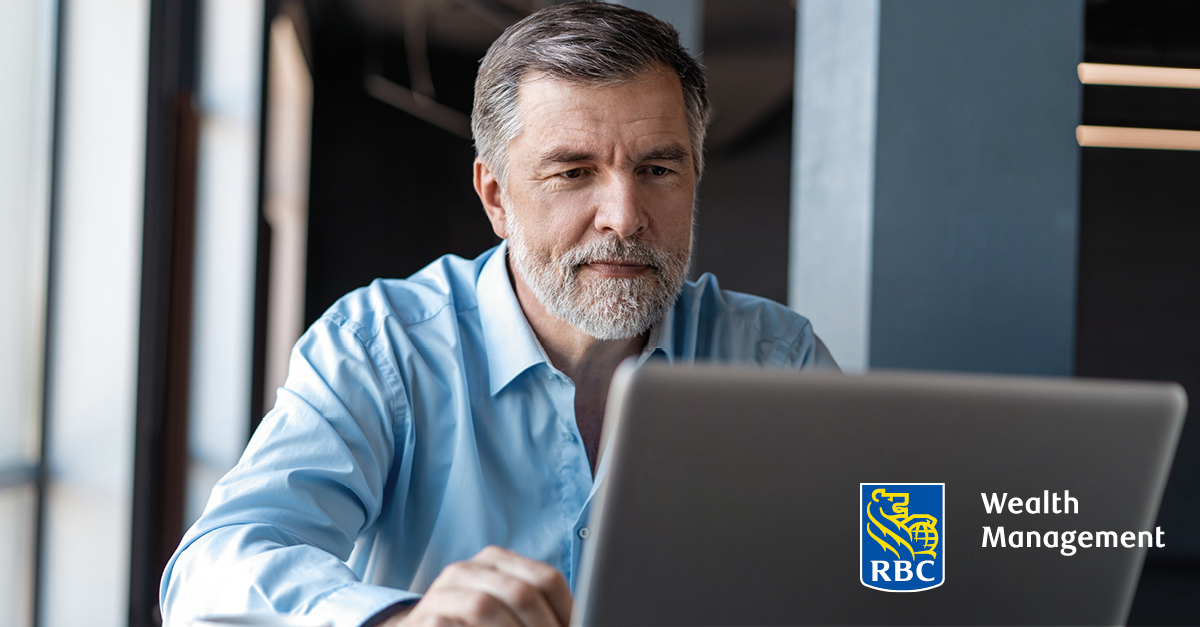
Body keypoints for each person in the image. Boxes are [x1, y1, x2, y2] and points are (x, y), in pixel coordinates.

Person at [160, 2, 836, 626]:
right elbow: (211, 571)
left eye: (659, 170)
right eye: (573, 173)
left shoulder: (775, 357)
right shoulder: (382, 347)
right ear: (496, 198)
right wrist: (402, 620)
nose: (625, 217)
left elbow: (901, 564)